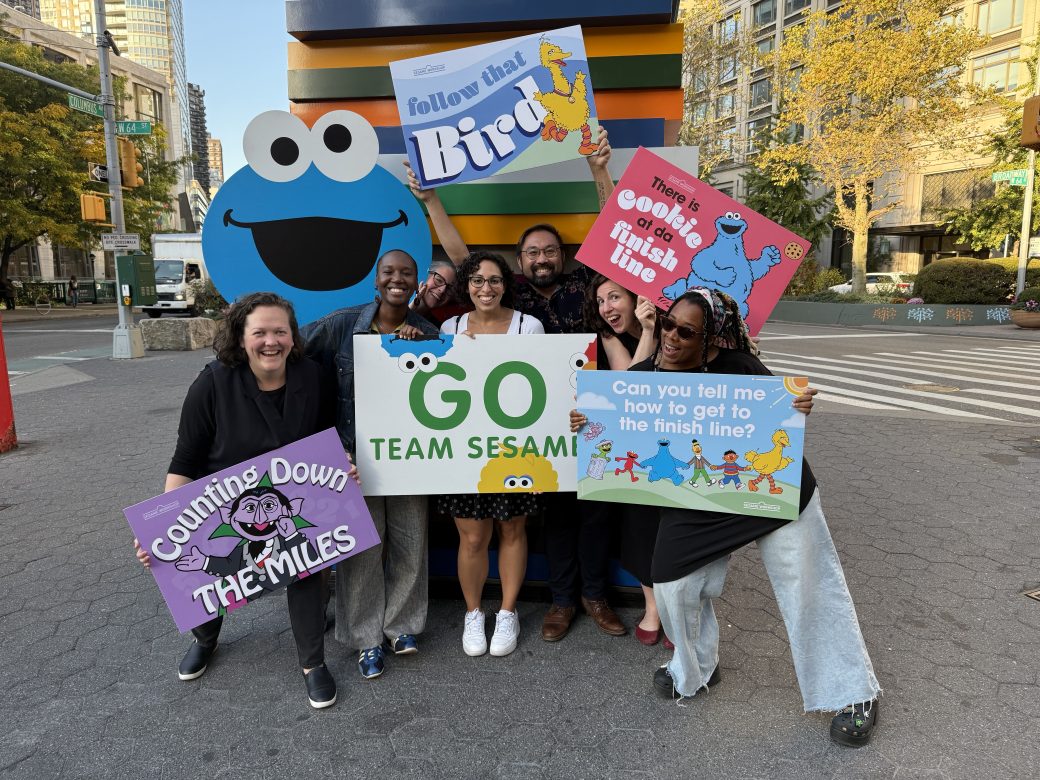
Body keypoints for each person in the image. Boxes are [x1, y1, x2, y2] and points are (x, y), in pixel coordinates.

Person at [573, 287, 881, 746]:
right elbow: (609, 423)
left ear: (710, 337)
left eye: (687, 331)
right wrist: (584, 423)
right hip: (699, 500)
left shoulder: (739, 367)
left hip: (775, 496)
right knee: (674, 585)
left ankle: (854, 692)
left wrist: (798, 405)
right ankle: (696, 667)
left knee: (807, 584)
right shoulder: (644, 376)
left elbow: (783, 410)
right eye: (669, 323)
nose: (672, 337)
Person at [411, 129, 628, 642]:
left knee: (597, 509)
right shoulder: (516, 300)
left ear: (563, 254)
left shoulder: (585, 284)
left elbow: (614, 237)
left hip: (593, 410)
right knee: (552, 514)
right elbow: (466, 261)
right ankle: (558, 603)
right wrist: (430, 200)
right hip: (532, 425)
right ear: (521, 262)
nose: (540, 258)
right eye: (531, 253)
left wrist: (600, 170)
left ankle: (595, 597)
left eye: (549, 250)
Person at [132, 291, 342, 709]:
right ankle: (205, 638)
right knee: (205, 566)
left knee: (303, 565)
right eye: (259, 332)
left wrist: (344, 467)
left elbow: (327, 441)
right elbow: (185, 460)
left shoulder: (313, 377)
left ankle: (312, 663)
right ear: (241, 337)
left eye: (280, 331)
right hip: (221, 501)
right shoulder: (212, 383)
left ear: (292, 336)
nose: (271, 341)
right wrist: (163, 531)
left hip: (287, 496)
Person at [302, 249, 438, 680]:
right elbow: (293, 354)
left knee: (411, 541)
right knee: (361, 547)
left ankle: (403, 628)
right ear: (376, 280)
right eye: (388, 272)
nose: (397, 279)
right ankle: (365, 640)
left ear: (416, 282)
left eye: (406, 273)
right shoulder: (343, 324)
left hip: (410, 455)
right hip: (352, 456)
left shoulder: (429, 332)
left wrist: (430, 348)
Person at [439, 251, 544, 657]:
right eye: (478, 280)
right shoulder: (450, 326)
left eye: (495, 280)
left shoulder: (528, 327)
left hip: (514, 450)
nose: (487, 288)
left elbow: (545, 388)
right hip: (463, 451)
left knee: (513, 530)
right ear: (466, 285)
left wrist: (543, 460)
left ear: (506, 284)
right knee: (472, 536)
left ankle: (507, 612)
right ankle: (472, 613)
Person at [581, 274, 665, 644]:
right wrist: (646, 332)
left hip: (674, 438)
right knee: (641, 525)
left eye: (614, 297)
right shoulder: (609, 336)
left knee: (672, 522)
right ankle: (652, 607)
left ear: (635, 297)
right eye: (601, 301)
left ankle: (675, 606)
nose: (607, 308)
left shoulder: (677, 328)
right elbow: (633, 386)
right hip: (635, 444)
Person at [409, 258, 463, 326]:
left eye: (449, 288)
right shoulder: (393, 305)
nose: (443, 290)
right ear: (423, 275)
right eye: (439, 280)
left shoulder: (437, 329)